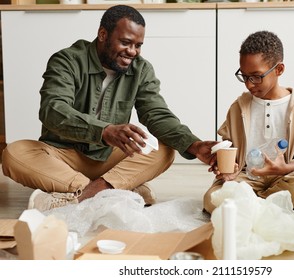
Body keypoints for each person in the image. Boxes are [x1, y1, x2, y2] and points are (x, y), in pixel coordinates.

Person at [2, 5, 217, 212]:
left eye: (138, 45)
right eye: (125, 42)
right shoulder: (67, 60)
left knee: (165, 149)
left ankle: (83, 196)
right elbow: (53, 110)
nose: (132, 51)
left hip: (108, 158)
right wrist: (104, 131)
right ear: (103, 34)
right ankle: (118, 189)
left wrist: (194, 145)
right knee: (14, 154)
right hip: (62, 157)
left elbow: (156, 114)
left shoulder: (141, 69)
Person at [203, 31, 294, 214]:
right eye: (244, 76)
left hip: (284, 177)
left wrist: (286, 167)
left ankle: (251, 206)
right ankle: (271, 205)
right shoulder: (238, 107)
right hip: (246, 178)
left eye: (256, 76)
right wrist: (228, 168)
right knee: (211, 199)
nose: (249, 84)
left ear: (279, 69)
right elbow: (228, 147)